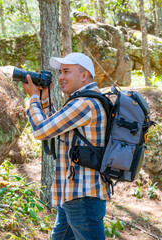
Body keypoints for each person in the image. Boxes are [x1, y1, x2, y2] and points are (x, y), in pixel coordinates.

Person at [22, 52, 110, 240]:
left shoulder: (84, 104)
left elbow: (41, 130)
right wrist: (44, 98)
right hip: (72, 194)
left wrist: (32, 98)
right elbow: (58, 126)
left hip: (83, 196)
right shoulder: (82, 101)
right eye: (60, 72)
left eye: (66, 71)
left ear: (84, 75)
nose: (60, 77)